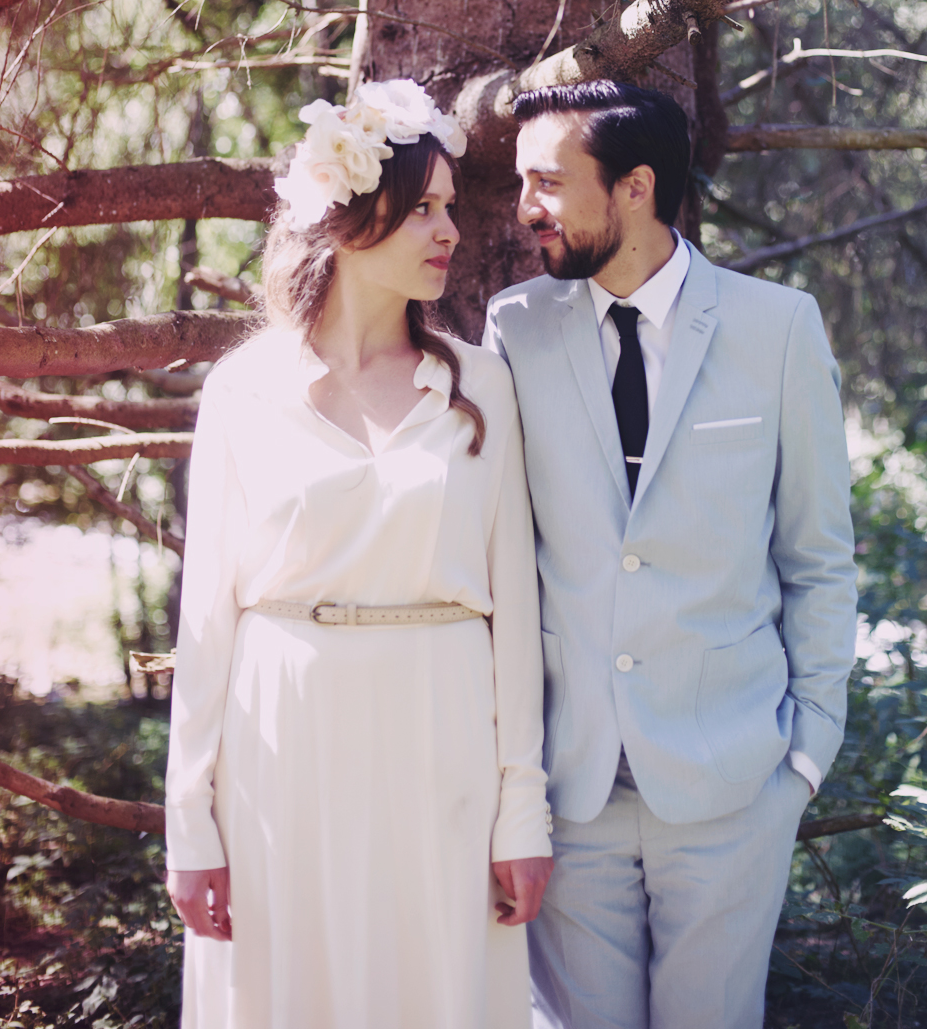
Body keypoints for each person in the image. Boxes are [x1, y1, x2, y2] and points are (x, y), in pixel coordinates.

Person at [164, 80, 554, 1029]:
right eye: (422, 207)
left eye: (450, 207)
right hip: (281, 748)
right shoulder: (244, 389)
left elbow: (515, 617)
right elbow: (206, 621)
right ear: (344, 220)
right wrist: (189, 821)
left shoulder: (483, 387)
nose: (449, 230)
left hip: (442, 745)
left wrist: (522, 809)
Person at [484, 80, 858, 1029]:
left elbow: (817, 554)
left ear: (636, 186)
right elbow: (501, 557)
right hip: (570, 788)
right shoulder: (513, 328)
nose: (525, 208)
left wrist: (807, 751)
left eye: (547, 181)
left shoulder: (778, 327)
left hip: (734, 782)